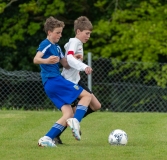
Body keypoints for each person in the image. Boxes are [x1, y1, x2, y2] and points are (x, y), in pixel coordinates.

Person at [33, 16, 93, 147]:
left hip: (50, 85)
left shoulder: (58, 48)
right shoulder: (46, 44)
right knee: (87, 96)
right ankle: (76, 122)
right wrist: (46, 61)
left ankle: (47, 138)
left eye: (61, 32)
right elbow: (36, 59)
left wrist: (75, 59)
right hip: (54, 80)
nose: (60, 35)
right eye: (57, 32)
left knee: (68, 113)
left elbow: (65, 64)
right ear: (49, 32)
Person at [54, 16, 101, 144]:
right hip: (69, 82)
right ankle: (66, 128)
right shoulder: (75, 42)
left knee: (96, 105)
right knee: (71, 113)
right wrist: (84, 66)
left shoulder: (76, 43)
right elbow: (69, 58)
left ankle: (74, 121)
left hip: (77, 80)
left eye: (90, 34)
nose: (88, 36)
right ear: (78, 31)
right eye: (87, 33)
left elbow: (69, 53)